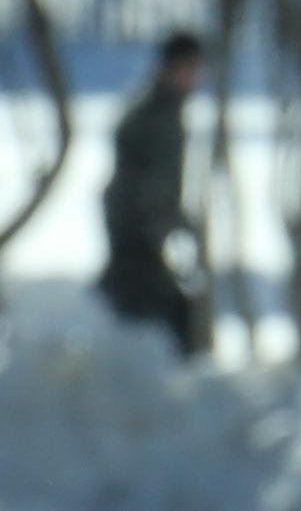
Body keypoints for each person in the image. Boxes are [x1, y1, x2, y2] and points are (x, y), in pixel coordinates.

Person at [99, 31, 205, 357]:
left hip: (147, 233)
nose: (194, 77)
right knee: (167, 315)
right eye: (188, 68)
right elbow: (142, 186)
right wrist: (170, 221)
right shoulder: (152, 116)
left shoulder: (168, 112)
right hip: (134, 232)